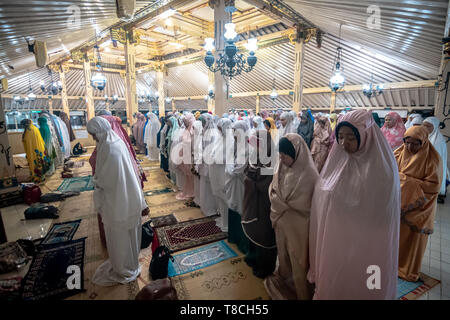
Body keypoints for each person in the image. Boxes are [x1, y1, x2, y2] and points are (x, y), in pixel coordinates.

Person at [308, 110, 401, 299]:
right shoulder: (339, 158)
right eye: (340, 137)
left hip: (365, 241)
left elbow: (376, 213)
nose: (343, 143)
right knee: (338, 275)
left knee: (362, 277)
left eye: (351, 137)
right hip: (336, 237)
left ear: (365, 135)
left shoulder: (382, 170)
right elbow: (325, 189)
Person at [87, 117, 146, 286]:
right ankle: (127, 263)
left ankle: (124, 268)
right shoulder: (113, 142)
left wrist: (96, 181)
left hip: (120, 200)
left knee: (119, 236)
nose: (93, 138)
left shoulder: (112, 148)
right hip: (124, 197)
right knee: (125, 235)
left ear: (99, 132)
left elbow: (108, 179)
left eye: (93, 134)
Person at [265, 134, 319, 300]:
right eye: (280, 154)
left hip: (299, 226)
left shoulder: (309, 175)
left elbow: (307, 204)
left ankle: (302, 293)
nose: (282, 158)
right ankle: (286, 285)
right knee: (283, 256)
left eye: (285, 155)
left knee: (299, 260)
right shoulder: (280, 167)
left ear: (296, 153)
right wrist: (279, 203)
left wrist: (281, 203)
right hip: (282, 222)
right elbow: (272, 190)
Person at [395, 125, 442, 282]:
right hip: (398, 207)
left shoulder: (433, 159)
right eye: (407, 142)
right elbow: (388, 175)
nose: (410, 147)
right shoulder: (398, 153)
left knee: (412, 242)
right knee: (396, 239)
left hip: (419, 210)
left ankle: (408, 271)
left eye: (415, 143)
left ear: (424, 142)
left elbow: (433, 186)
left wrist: (405, 181)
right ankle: (393, 265)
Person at [242, 129, 277, 279]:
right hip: (253, 199)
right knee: (253, 228)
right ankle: (253, 257)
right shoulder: (256, 154)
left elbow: (266, 183)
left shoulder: (271, 158)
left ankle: (265, 266)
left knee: (263, 232)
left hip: (263, 202)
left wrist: (250, 180)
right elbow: (249, 169)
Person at [225, 120, 250, 254]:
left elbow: (237, 170)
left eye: (236, 132)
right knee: (233, 206)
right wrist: (230, 166)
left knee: (240, 208)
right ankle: (233, 237)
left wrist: (229, 166)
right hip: (233, 184)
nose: (234, 135)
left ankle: (242, 241)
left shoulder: (247, 148)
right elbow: (229, 164)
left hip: (241, 185)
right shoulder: (235, 145)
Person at [209, 117, 233, 231]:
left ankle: (227, 222)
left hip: (223, 172)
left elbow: (228, 157)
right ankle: (223, 218)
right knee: (218, 194)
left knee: (225, 196)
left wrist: (216, 158)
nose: (218, 130)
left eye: (220, 128)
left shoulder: (231, 140)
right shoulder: (219, 138)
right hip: (215, 171)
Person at [423, 117, 448, 203]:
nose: (425, 128)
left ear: (435, 126)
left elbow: (437, 157)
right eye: (424, 126)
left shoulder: (439, 140)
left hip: (434, 166)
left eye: (428, 126)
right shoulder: (425, 136)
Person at [197, 113, 218, 216]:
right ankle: (206, 207)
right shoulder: (204, 131)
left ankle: (212, 208)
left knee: (210, 186)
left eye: (203, 122)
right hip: (204, 162)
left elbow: (213, 150)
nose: (202, 123)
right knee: (204, 186)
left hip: (210, 163)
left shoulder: (213, 133)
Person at [175, 113, 195, 200]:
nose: (184, 122)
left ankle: (192, 192)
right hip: (184, 154)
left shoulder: (193, 130)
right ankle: (188, 191)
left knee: (191, 175)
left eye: (185, 121)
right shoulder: (186, 129)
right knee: (187, 175)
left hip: (190, 155)